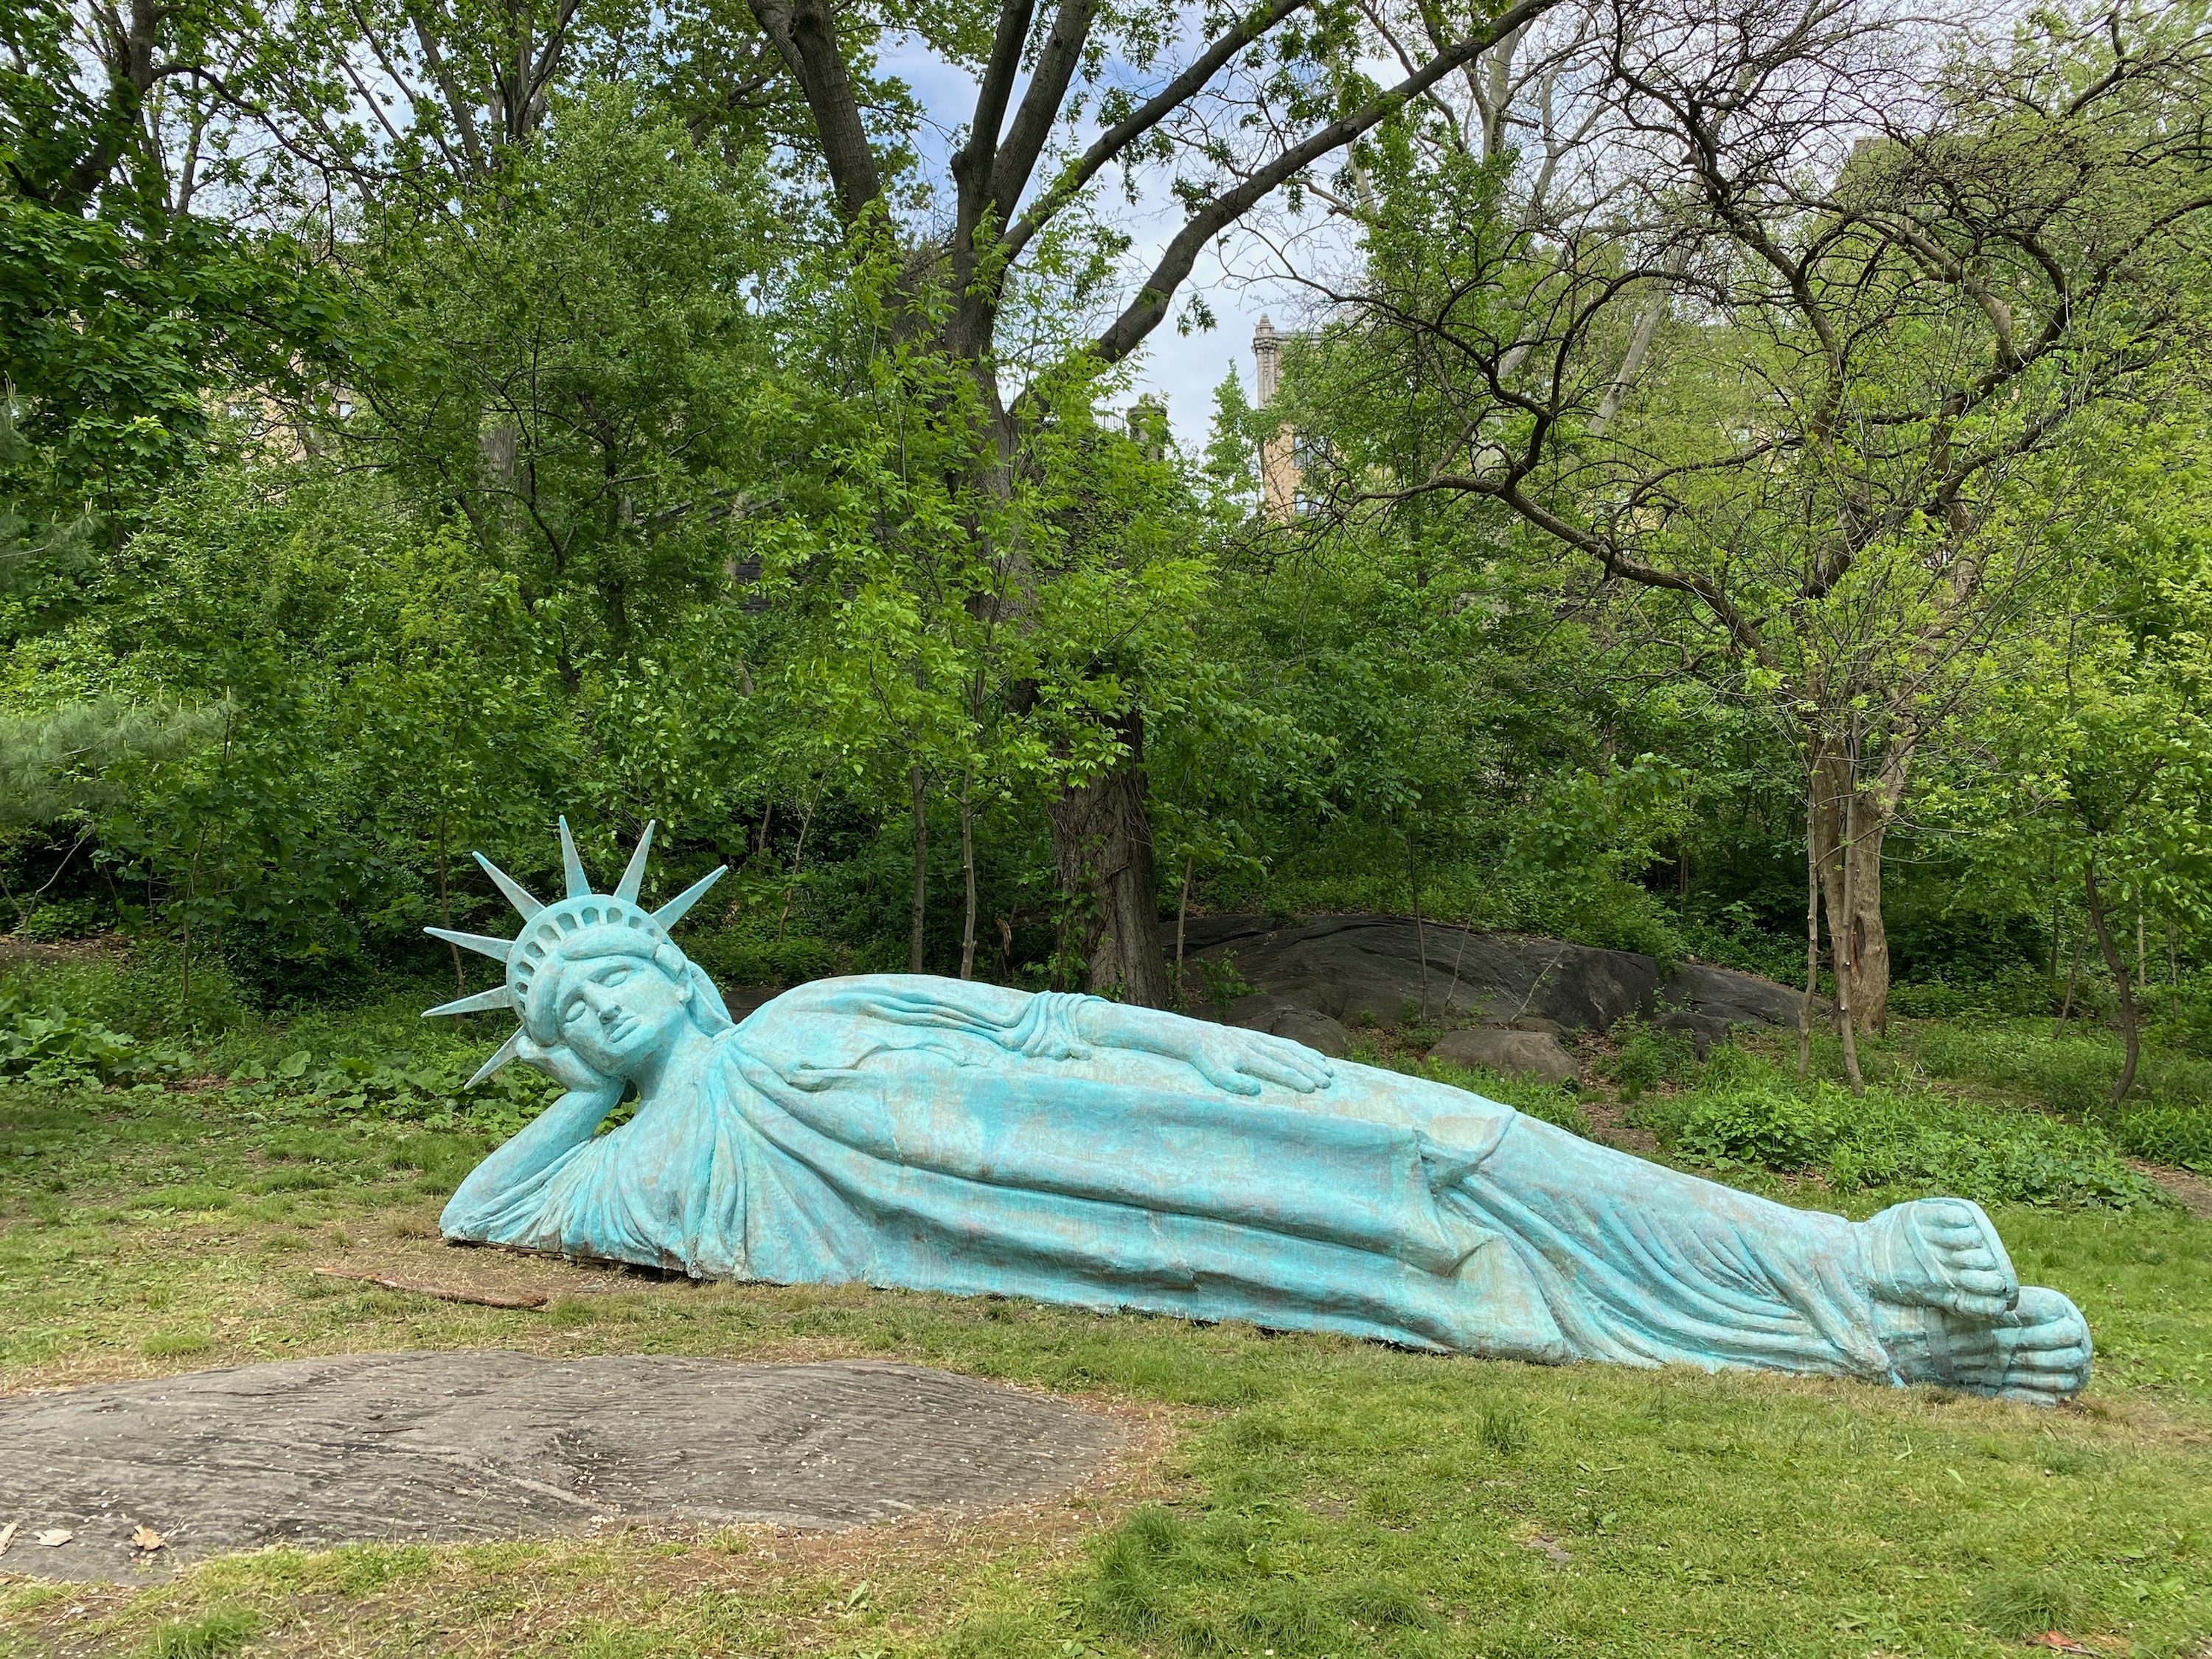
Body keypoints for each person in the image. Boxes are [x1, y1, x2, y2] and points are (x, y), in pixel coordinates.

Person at [429, 822, 2091, 1404]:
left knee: (1454, 1141)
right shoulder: (636, 1166)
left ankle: (1837, 1260)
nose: (608, 1002)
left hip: (1167, 1125)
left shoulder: (818, 1010)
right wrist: (577, 1095)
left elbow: (1049, 1020)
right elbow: (476, 1217)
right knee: (1462, 1284)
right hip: (1126, 1243)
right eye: (574, 1013)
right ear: (568, 1062)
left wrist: (1213, 1058)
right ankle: (1867, 1341)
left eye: (628, 967)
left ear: (689, 968)